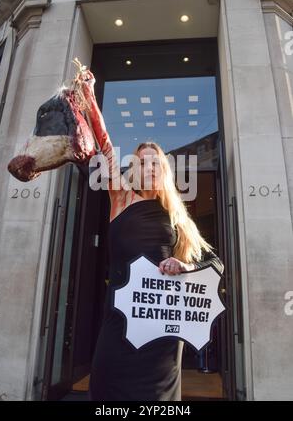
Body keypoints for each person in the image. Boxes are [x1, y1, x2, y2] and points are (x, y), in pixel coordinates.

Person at [79, 69, 224, 401]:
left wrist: (184, 267)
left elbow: (214, 263)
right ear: (134, 170)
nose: (149, 168)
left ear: (165, 171)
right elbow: (104, 146)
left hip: (162, 334)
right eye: (143, 163)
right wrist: (90, 96)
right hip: (119, 326)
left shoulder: (179, 219)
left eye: (156, 163)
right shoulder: (122, 199)